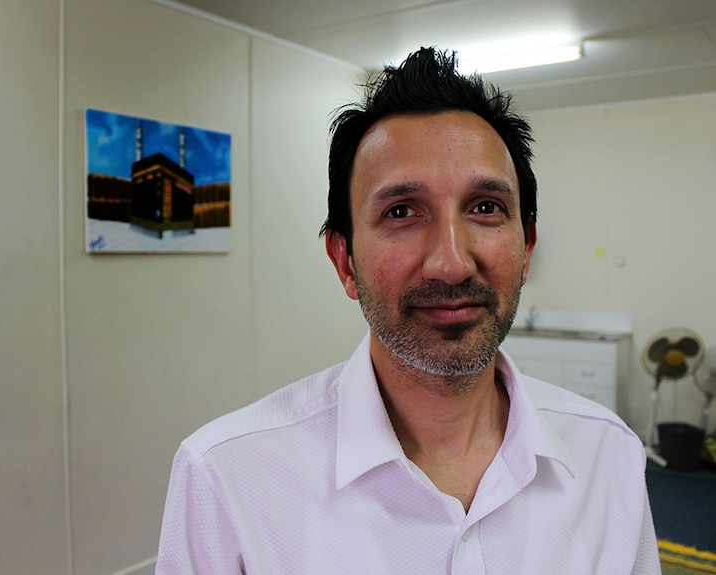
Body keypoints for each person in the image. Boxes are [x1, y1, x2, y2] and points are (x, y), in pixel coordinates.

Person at [156, 47, 660, 574]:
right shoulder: (228, 477)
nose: (451, 264)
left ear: (526, 246)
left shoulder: (608, 455)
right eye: (401, 212)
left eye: (486, 208)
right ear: (344, 261)